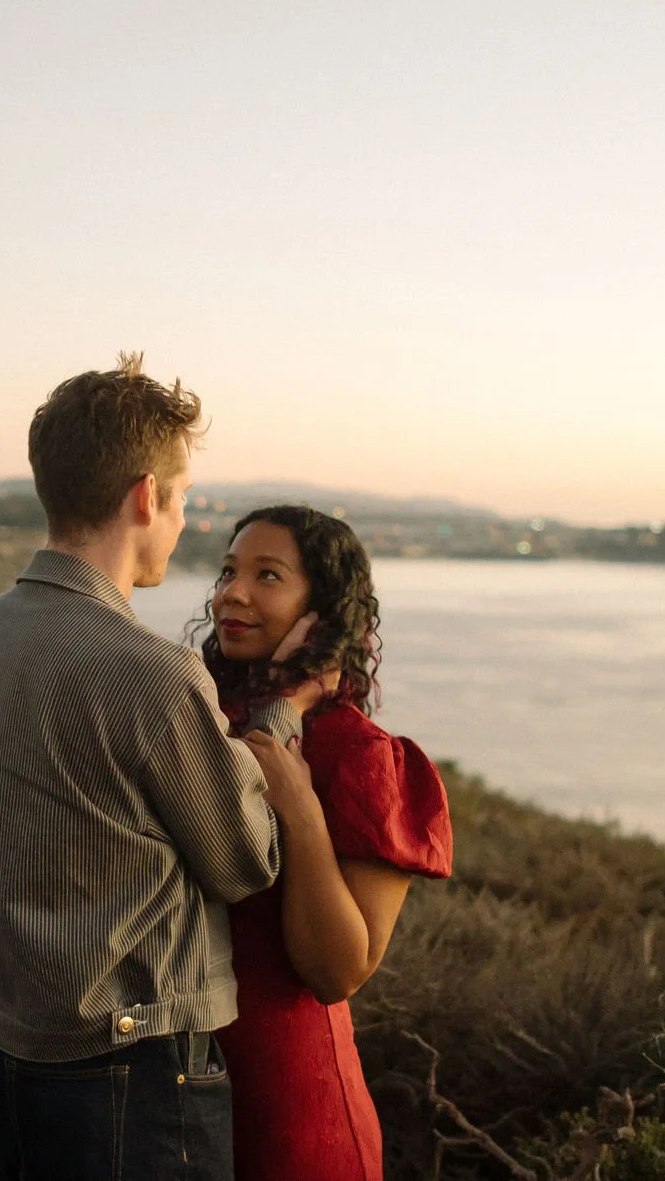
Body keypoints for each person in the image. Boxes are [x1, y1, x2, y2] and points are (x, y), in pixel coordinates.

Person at [0, 354, 316, 1181]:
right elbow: (247, 860)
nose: (179, 526)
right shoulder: (149, 671)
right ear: (147, 496)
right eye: (179, 501)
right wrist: (283, 715)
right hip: (126, 1074)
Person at [198, 505, 454, 1181]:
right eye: (229, 570)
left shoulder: (359, 757)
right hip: (170, 1091)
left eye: (268, 575)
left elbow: (339, 971)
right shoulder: (200, 723)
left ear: (323, 610)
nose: (233, 592)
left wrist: (302, 815)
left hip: (288, 1105)